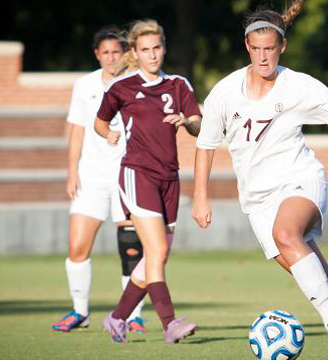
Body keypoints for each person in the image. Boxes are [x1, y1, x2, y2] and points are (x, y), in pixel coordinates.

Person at [191, 1, 328, 359]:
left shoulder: (300, 87)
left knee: (287, 233)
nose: (264, 58)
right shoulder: (224, 92)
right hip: (258, 203)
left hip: (301, 181)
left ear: (283, 47)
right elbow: (205, 145)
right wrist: (200, 196)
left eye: (270, 49)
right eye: (257, 49)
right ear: (247, 47)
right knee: (326, 281)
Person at [94, 19, 202, 344]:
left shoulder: (179, 85)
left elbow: (198, 125)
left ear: (164, 48)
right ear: (135, 53)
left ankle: (116, 319)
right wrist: (109, 133)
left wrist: (186, 121)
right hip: (137, 174)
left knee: (158, 254)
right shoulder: (122, 88)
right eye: (145, 49)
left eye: (157, 48)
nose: (152, 55)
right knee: (155, 249)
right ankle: (169, 323)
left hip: (170, 177)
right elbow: (99, 122)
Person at [51, 25, 147, 334]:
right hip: (91, 177)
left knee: (131, 248)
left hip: (126, 176)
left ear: (125, 54)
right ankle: (80, 311)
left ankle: (132, 316)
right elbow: (77, 130)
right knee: (77, 246)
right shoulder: (84, 85)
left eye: (116, 52)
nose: (110, 58)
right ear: (97, 54)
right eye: (105, 53)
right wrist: (71, 172)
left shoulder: (136, 83)